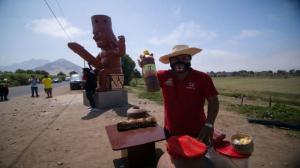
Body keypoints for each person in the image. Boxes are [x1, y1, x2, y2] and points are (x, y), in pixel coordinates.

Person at [139, 44, 219, 145]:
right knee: (175, 158)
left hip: (197, 130)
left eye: (184, 58)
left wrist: (209, 124)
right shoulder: (163, 76)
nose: (179, 62)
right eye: (175, 59)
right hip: (172, 131)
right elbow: (151, 87)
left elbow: (213, 101)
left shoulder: (202, 77)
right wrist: (145, 68)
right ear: (170, 61)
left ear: (190, 59)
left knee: (198, 159)